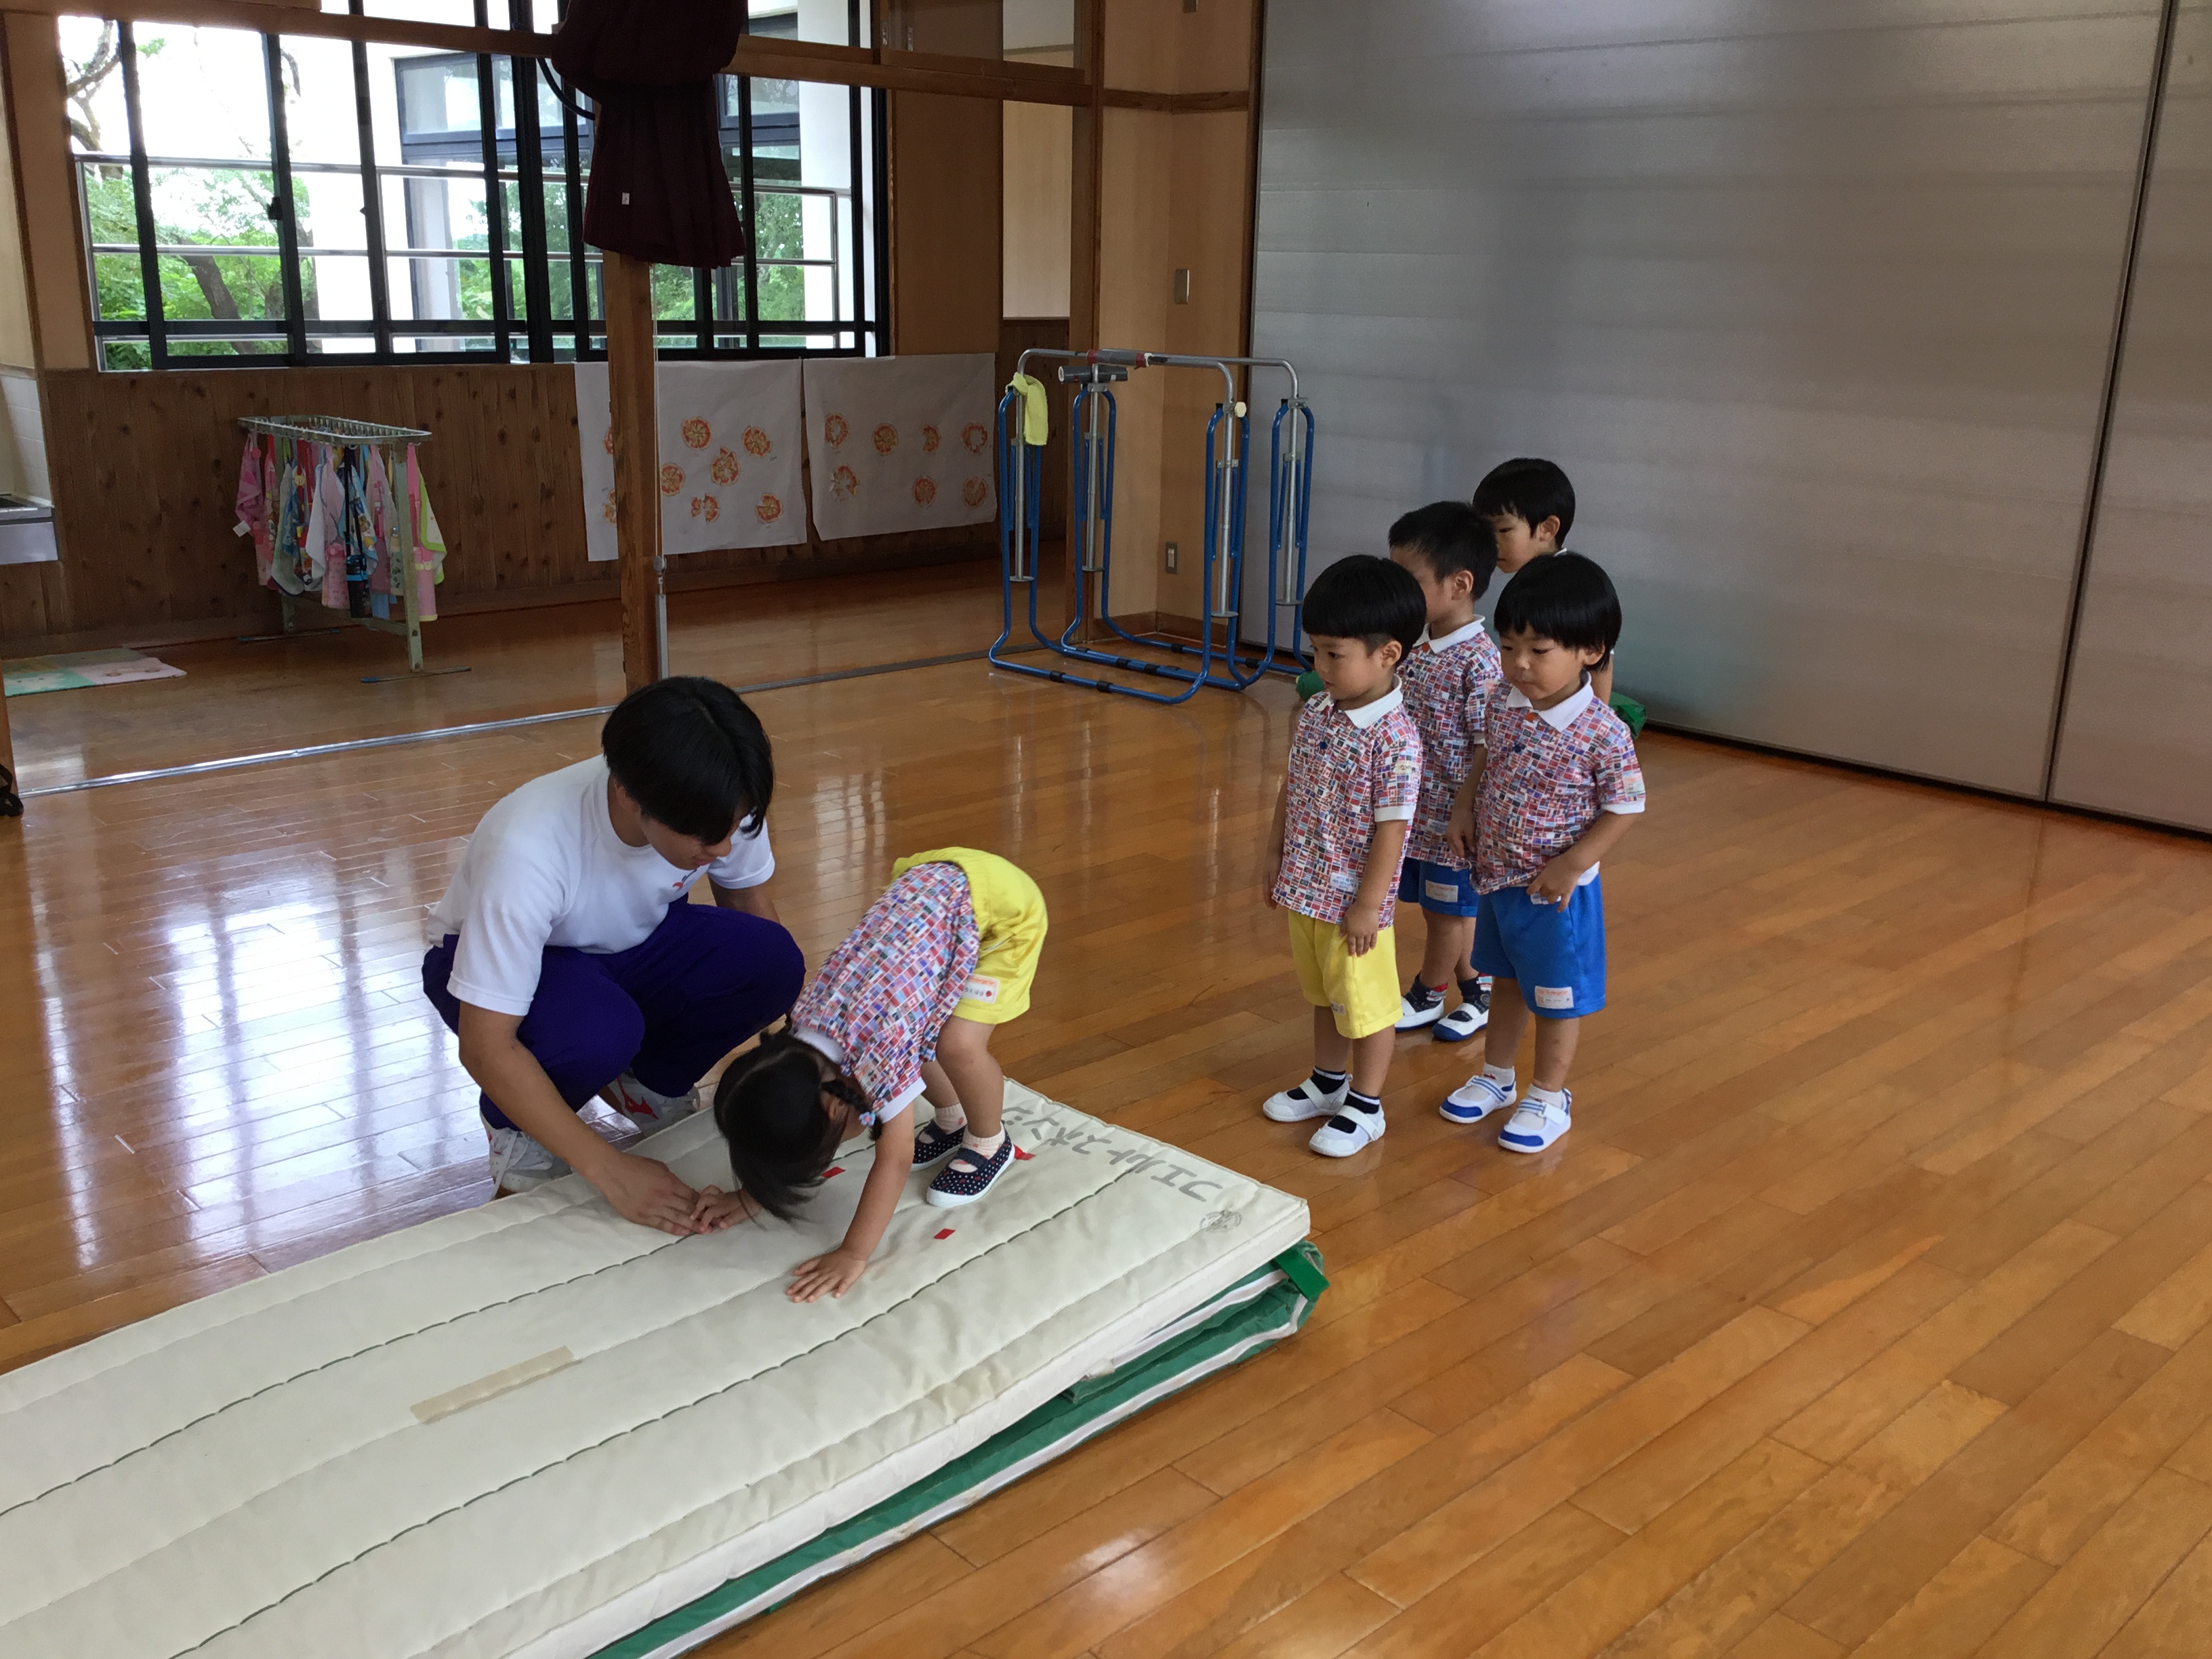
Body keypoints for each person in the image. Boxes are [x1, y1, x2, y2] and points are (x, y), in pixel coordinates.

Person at [422, 676, 804, 1233]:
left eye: (733, 829)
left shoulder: (716, 800)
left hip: (631, 942)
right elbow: (486, 1046)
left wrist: (806, 1051)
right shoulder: (527, 850)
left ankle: (647, 1082)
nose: (723, 848)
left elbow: (747, 901)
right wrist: (612, 1170)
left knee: (774, 962)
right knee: (599, 1030)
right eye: (705, 839)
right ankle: (517, 1133)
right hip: (507, 967)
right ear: (628, 794)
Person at [697, 847, 1048, 1301]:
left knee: (957, 1045)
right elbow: (795, 1117)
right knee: (918, 1038)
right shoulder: (803, 1040)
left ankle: (989, 1141)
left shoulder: (876, 1056)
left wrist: (853, 1253)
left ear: (833, 1108)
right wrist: (752, 1195)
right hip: (934, 889)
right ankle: (952, 1120)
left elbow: (894, 1159)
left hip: (1001, 910)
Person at [1441, 554, 1645, 1151]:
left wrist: (1571, 865)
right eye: (1508, 647)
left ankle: (1550, 1095)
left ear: (1590, 651)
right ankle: (1497, 1076)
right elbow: (1485, 755)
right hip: (1497, 879)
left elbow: (1627, 806)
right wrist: (1463, 806)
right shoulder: (1503, 702)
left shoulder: (1603, 732)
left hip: (1557, 895)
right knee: (1505, 979)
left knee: (1556, 997)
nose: (1520, 664)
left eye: (1539, 650)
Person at [1259, 554, 1426, 1157]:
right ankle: (1328, 1083)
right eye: (1315, 651)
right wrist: (1275, 854)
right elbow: (1293, 785)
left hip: (1355, 906)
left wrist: (1368, 906)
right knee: (1324, 996)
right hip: (1306, 889)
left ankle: (1367, 1104)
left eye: (1335, 654)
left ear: (1388, 654)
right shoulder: (1316, 712)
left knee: (1367, 1007)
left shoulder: (1396, 740)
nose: (1320, 667)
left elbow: (1392, 833)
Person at [1387, 501, 1505, 1044]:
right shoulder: (1416, 644)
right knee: (1445, 910)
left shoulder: (1479, 661)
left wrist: (1464, 808)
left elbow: (1488, 743)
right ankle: (1479, 992)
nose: (1401, 592)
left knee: (1446, 915)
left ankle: (1427, 994)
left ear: (1460, 584)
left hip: (1450, 823)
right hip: (1416, 813)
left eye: (1411, 580)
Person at [1473, 456, 1614, 705]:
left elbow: (1601, 665)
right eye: (1486, 531)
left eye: (1503, 530)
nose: (1491, 543)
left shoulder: (1573, 584)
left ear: (1547, 529)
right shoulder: (1527, 579)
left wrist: (1596, 715)